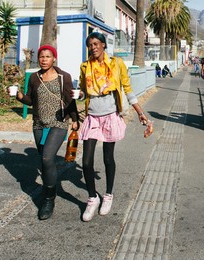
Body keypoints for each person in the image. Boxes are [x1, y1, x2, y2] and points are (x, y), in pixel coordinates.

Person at [77, 32, 149, 222]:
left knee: (108, 158)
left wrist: (140, 112)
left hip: (110, 116)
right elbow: (84, 92)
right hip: (92, 117)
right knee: (86, 162)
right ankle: (92, 198)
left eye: (96, 44)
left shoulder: (116, 64)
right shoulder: (85, 67)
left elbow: (127, 88)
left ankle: (108, 195)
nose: (93, 47)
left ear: (103, 45)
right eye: (90, 45)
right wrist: (78, 95)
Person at [14, 44, 79, 220]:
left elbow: (69, 99)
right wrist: (19, 96)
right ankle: (48, 187)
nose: (44, 60)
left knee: (47, 158)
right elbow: (30, 100)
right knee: (44, 162)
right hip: (39, 124)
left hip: (58, 123)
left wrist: (74, 119)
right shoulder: (34, 78)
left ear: (54, 58)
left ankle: (49, 199)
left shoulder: (63, 77)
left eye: (48, 57)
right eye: (42, 57)